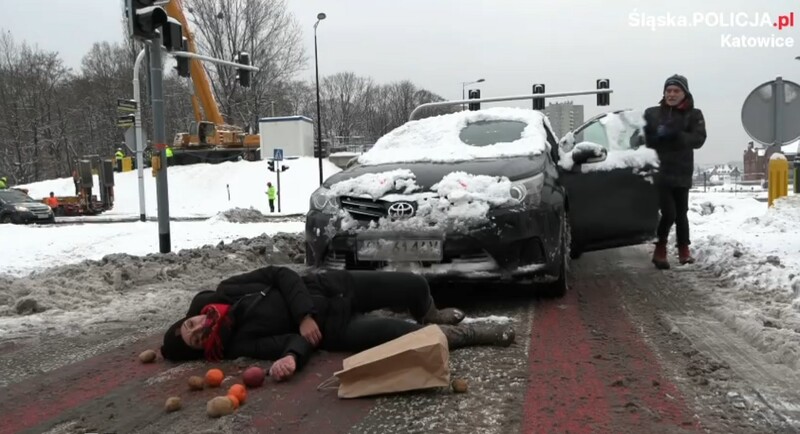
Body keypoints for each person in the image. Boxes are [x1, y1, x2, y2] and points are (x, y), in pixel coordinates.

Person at [160, 266, 515, 381]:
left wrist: (302, 316)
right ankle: (468, 334)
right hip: (333, 331)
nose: (196, 329)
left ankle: (431, 311)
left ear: (190, 316)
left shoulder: (227, 291)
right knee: (406, 336)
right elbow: (287, 344)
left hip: (332, 286)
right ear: (200, 349)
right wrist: (292, 359)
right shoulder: (236, 343)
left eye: (189, 325)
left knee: (412, 284)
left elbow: (282, 275)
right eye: (193, 339)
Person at [643, 74, 707, 269]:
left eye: (676, 91)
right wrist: (656, 135)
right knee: (669, 213)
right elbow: (640, 138)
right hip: (659, 171)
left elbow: (699, 139)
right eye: (668, 90)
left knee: (682, 213)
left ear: (684, 93)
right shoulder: (652, 113)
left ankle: (683, 250)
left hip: (682, 171)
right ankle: (660, 247)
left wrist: (678, 135)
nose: (671, 94)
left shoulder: (694, 115)